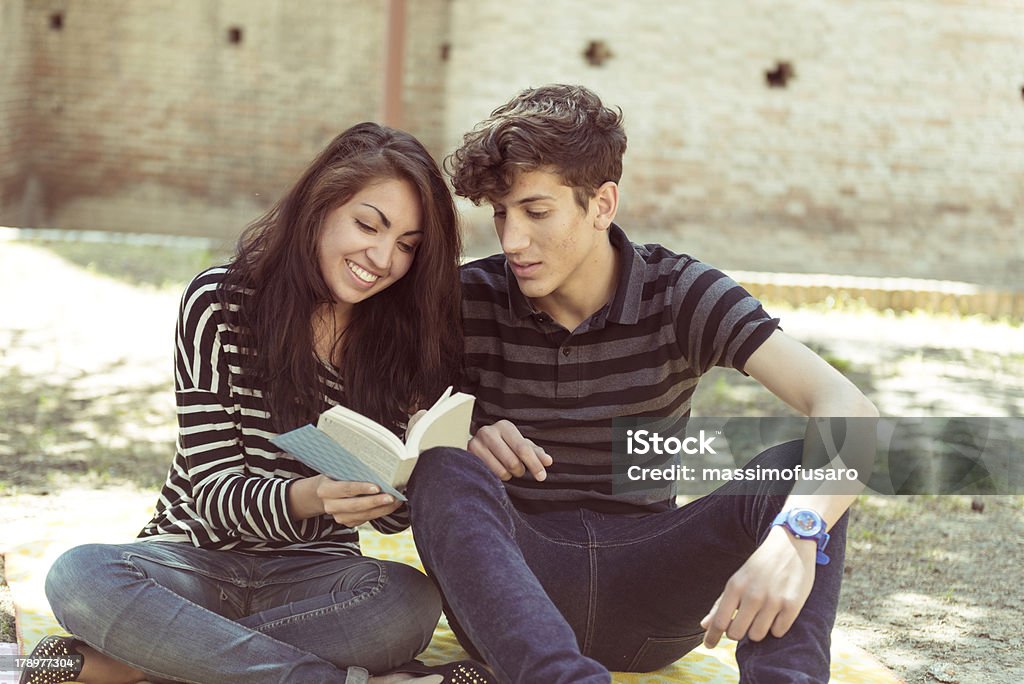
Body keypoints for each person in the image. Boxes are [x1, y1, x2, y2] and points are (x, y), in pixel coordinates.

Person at [405, 85, 879, 683]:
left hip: (653, 591)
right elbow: (394, 446)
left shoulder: (678, 291)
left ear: (602, 204)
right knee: (443, 468)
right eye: (501, 214)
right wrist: (461, 436)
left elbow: (851, 410)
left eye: (536, 211)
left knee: (796, 475)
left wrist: (795, 534)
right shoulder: (465, 300)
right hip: (515, 597)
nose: (512, 240)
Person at [30, 123, 495, 684]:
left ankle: (145, 667)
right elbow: (213, 495)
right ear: (320, 208)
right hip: (193, 560)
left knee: (409, 602)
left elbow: (393, 519)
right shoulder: (220, 305)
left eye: (406, 246)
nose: (381, 257)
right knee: (79, 576)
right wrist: (312, 496)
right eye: (367, 225)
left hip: (316, 578)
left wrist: (412, 477)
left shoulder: (400, 343)